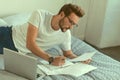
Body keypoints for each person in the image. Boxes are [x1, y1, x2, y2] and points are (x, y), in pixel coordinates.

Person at [0, 3, 91, 66]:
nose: (71, 27)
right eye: (70, 22)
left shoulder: (66, 34)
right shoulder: (40, 15)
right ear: (62, 14)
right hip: (8, 36)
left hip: (16, 50)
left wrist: (79, 59)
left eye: (74, 24)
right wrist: (50, 59)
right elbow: (30, 44)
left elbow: (68, 53)